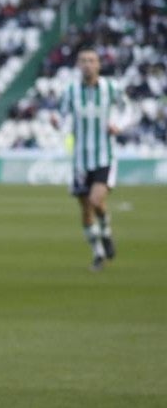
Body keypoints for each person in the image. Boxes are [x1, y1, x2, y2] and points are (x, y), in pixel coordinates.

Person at [49, 46, 126, 271]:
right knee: (86, 209)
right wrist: (55, 122)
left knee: (95, 200)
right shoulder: (71, 91)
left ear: (98, 65)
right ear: (78, 65)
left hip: (104, 156)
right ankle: (98, 253)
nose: (87, 64)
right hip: (81, 161)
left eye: (91, 60)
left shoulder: (111, 88)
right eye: (83, 60)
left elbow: (128, 108)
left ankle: (107, 232)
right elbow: (60, 114)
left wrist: (118, 125)